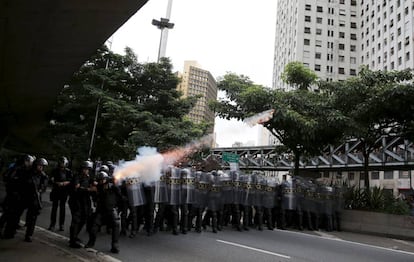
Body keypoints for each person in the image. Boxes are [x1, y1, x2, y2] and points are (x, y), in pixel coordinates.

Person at [85, 171, 122, 253]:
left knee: (116, 224)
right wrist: (95, 191)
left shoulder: (112, 186)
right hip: (101, 211)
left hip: (111, 210)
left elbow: (120, 196)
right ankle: (91, 242)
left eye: (103, 180)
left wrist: (113, 185)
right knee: (94, 227)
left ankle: (115, 245)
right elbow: (94, 198)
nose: (102, 181)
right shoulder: (98, 187)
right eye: (100, 180)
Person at [21, 157, 49, 242]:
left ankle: (28, 235)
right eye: (39, 165)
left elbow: (44, 185)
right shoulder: (28, 172)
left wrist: (40, 189)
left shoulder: (43, 175)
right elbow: (23, 182)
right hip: (25, 196)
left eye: (42, 166)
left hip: (35, 198)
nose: (41, 167)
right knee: (15, 211)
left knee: (33, 217)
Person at [68, 160, 95, 248]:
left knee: (83, 219)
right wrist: (87, 189)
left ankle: (75, 236)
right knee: (76, 220)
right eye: (85, 169)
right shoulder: (77, 177)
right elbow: (76, 189)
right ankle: (72, 241)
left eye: (88, 169)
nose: (86, 170)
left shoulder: (88, 177)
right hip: (76, 201)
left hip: (84, 201)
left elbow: (94, 184)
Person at [48, 156, 72, 231]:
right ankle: (52, 224)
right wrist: (55, 182)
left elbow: (71, 180)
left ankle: (61, 224)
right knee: (54, 208)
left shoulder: (68, 171)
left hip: (64, 191)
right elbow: (50, 179)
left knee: (62, 208)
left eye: (63, 163)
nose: (61, 164)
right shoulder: (55, 170)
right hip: (56, 190)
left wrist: (64, 183)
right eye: (61, 162)